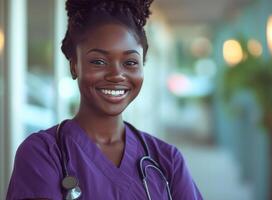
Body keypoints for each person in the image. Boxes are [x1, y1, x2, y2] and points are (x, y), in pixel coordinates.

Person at [6, 0, 203, 199]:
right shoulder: (43, 154)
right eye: (99, 61)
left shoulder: (168, 161)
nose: (117, 74)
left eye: (130, 62)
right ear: (74, 65)